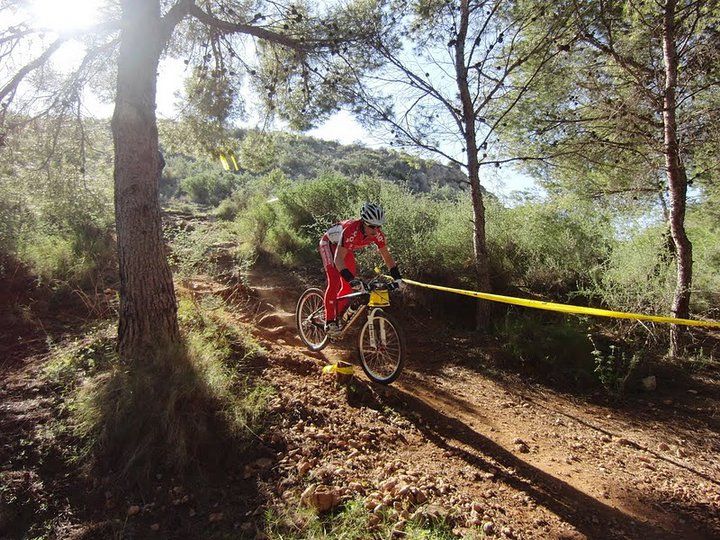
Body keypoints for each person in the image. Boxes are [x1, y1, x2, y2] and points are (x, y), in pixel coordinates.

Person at [319, 202, 402, 335]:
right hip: (329, 244)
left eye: (379, 226)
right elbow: (338, 260)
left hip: (344, 248)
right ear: (363, 223)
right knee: (334, 281)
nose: (376, 230)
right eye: (372, 226)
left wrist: (397, 278)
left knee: (347, 287)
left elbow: (387, 257)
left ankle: (336, 315)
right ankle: (329, 321)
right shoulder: (351, 231)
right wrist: (351, 279)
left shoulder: (378, 234)